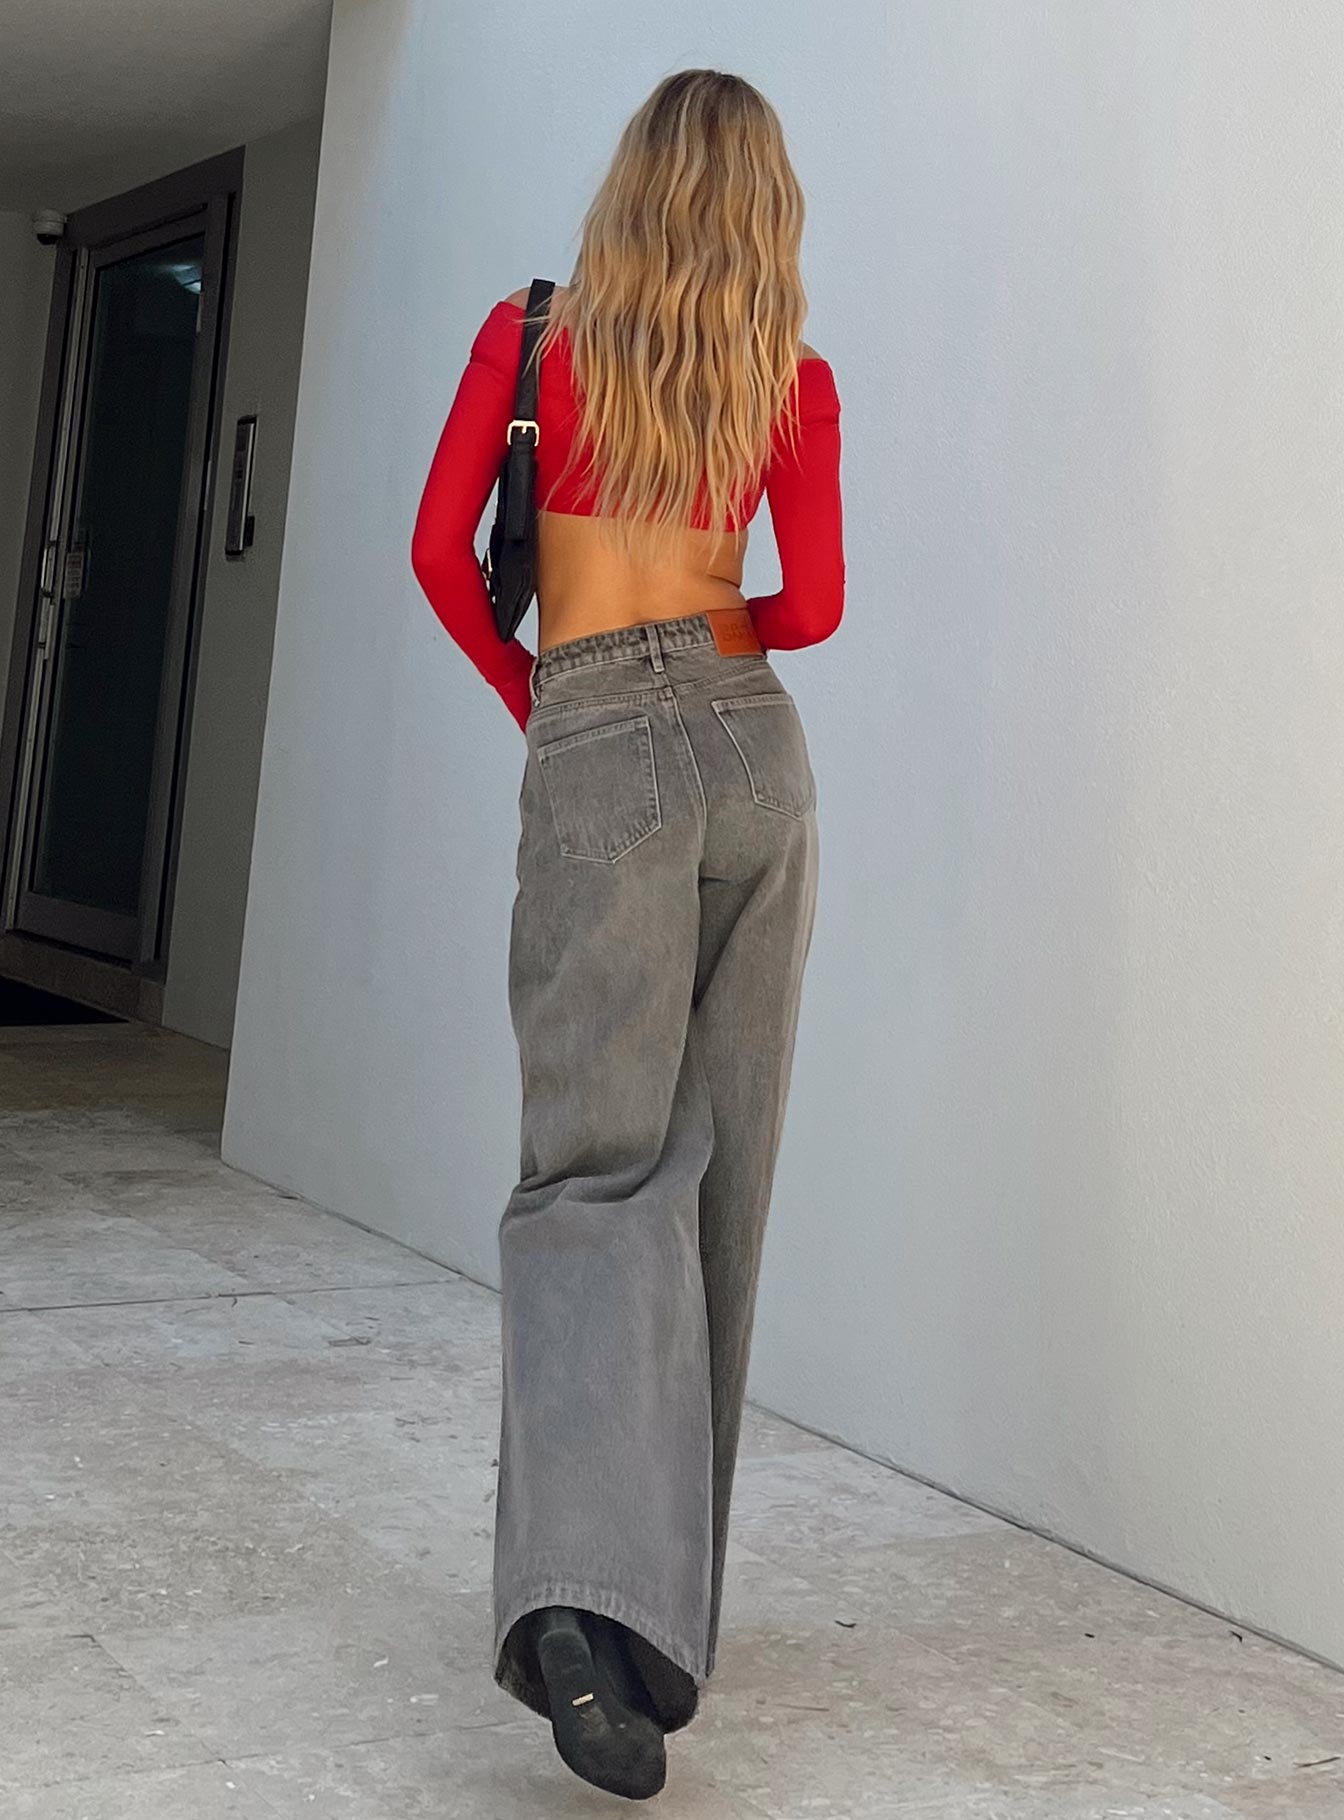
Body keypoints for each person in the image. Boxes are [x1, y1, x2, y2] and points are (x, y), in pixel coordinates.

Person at [410, 68, 844, 1801]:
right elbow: (815, 606)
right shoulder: (787, 378)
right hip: (758, 756)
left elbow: (443, 557)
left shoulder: (531, 346)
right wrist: (708, 628)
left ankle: (580, 1620)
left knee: (593, 1177)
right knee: (717, 1179)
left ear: (629, 185)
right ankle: (664, 1630)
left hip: (597, 734)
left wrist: (550, 693)